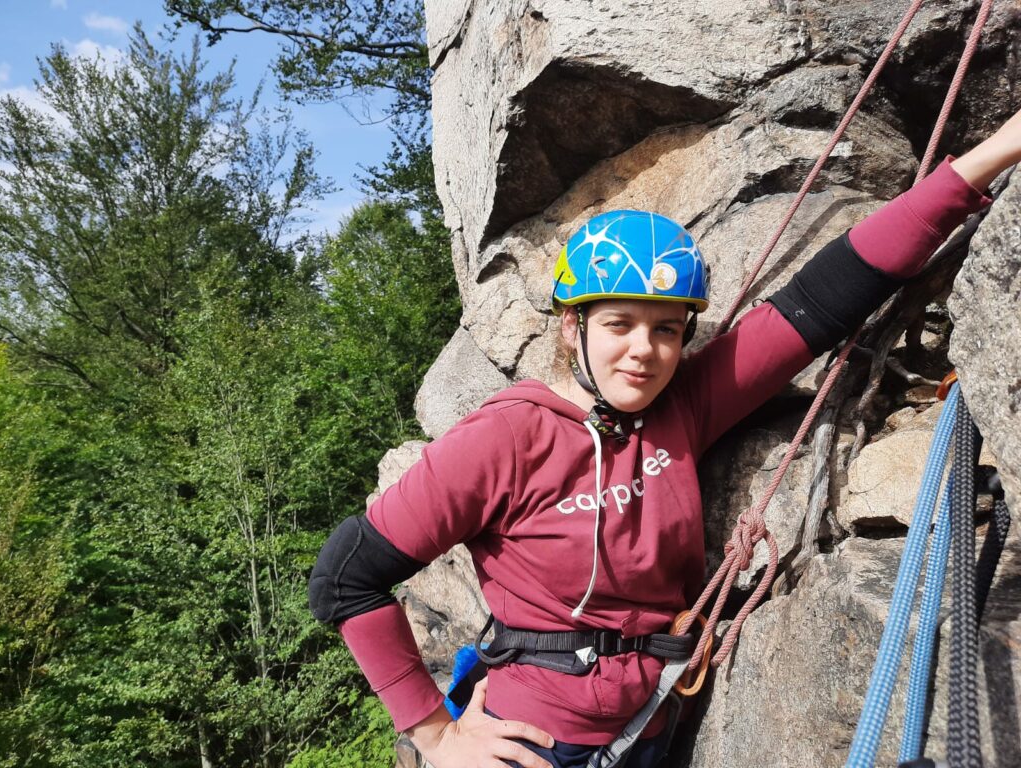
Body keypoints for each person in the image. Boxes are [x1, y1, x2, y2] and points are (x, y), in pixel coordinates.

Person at [309, 107, 1021, 768]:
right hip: (536, 745)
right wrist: (434, 733)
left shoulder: (684, 406)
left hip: (651, 728)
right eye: (619, 324)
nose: (645, 351)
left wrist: (992, 156)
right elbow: (346, 578)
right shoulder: (503, 439)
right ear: (572, 327)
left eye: (667, 329)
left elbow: (823, 296)